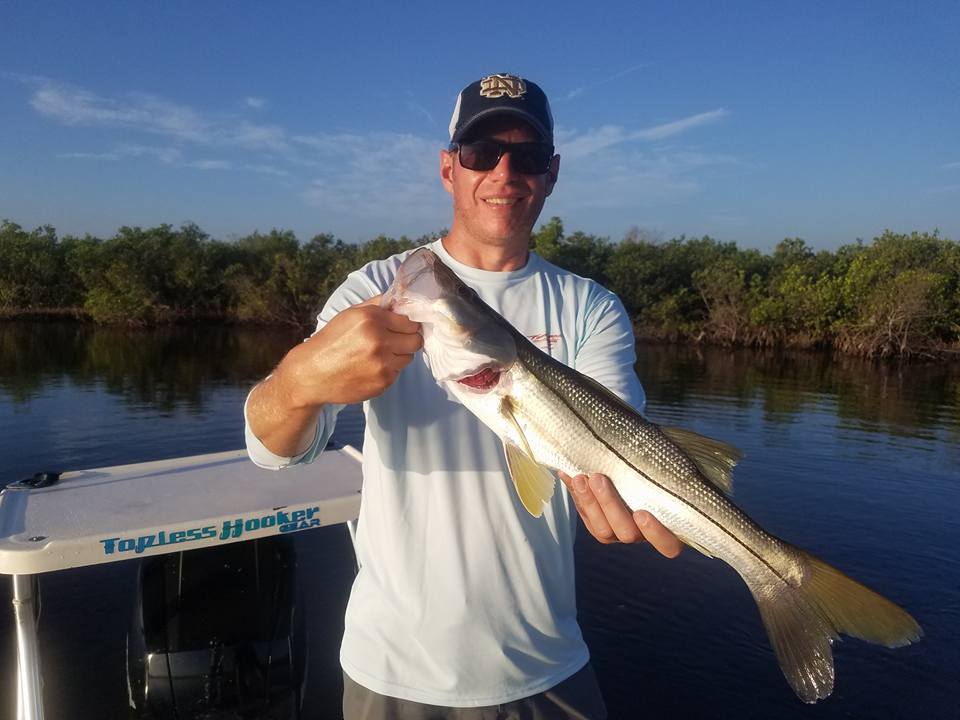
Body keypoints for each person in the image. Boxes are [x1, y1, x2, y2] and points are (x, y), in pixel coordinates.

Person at [245, 73, 682, 720]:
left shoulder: (590, 306)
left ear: (552, 173)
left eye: (527, 156)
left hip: (549, 665)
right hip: (392, 671)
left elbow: (618, 440)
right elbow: (272, 453)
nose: (504, 173)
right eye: (481, 153)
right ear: (448, 168)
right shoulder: (377, 288)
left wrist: (638, 491)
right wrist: (301, 378)